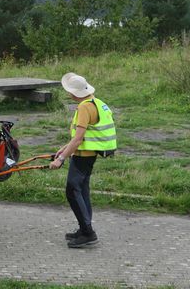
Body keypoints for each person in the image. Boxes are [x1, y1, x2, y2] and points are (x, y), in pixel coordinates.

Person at [49, 72, 117, 248]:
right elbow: (82, 136)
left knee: (73, 190)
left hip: (82, 156)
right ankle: (84, 228)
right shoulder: (96, 102)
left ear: (74, 93)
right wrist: (65, 148)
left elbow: (79, 139)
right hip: (89, 155)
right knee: (82, 190)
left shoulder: (84, 108)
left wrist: (61, 159)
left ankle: (88, 233)